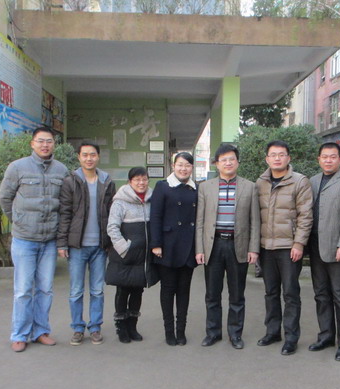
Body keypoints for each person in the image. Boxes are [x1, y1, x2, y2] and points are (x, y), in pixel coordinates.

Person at [0, 126, 69, 352]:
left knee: (45, 289)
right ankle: (19, 334)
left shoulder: (61, 170)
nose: (45, 145)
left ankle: (41, 331)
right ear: (32, 143)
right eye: (40, 141)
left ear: (54, 144)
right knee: (23, 290)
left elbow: (65, 204)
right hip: (24, 240)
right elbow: (4, 198)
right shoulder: (17, 167)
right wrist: (18, 220)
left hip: (49, 240)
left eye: (49, 141)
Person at [195, 143, 260, 349]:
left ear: (238, 162)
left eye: (232, 159)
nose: (228, 163)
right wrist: (199, 249)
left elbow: (255, 221)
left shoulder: (250, 187)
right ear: (217, 164)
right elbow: (200, 221)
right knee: (212, 294)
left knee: (237, 294)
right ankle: (213, 333)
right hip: (213, 246)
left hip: (237, 245)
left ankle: (235, 334)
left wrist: (253, 248)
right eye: (224, 160)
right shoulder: (205, 187)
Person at [256, 140, 313, 356]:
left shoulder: (299, 181)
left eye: (281, 154)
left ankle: (291, 337)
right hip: (266, 247)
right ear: (267, 159)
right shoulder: (260, 182)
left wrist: (299, 243)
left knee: (290, 293)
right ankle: (272, 332)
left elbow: (306, 215)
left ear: (288, 158)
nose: (277, 158)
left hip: (289, 248)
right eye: (273, 155)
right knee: (270, 292)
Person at [57, 142, 116, 346]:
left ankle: (95, 327)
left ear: (98, 157)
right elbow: (65, 213)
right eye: (85, 155)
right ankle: (77, 328)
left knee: (97, 290)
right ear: (79, 157)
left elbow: (112, 212)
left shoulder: (107, 181)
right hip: (77, 246)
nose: (89, 158)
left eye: (92, 155)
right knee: (76, 290)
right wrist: (62, 243)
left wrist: (111, 241)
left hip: (100, 246)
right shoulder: (70, 181)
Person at [308, 142, 340, 361]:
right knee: (321, 294)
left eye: (332, 157)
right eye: (324, 157)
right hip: (315, 246)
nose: (328, 160)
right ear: (319, 159)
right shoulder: (312, 181)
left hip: (337, 247)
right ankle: (326, 336)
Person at [150, 152, 198, 346]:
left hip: (188, 246)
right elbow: (155, 216)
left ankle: (181, 331)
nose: (183, 168)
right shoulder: (163, 186)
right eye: (180, 164)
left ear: (192, 168)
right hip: (167, 246)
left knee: (184, 290)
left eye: (187, 165)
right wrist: (156, 244)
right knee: (168, 289)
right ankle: (169, 331)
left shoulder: (195, 188)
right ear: (173, 166)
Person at [106, 167, 157, 343]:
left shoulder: (151, 200)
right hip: (125, 256)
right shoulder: (120, 202)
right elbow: (112, 227)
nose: (141, 183)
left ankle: (133, 326)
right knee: (123, 290)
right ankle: (121, 327)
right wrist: (124, 248)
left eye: (144, 179)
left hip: (143, 257)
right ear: (130, 182)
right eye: (137, 180)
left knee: (137, 291)